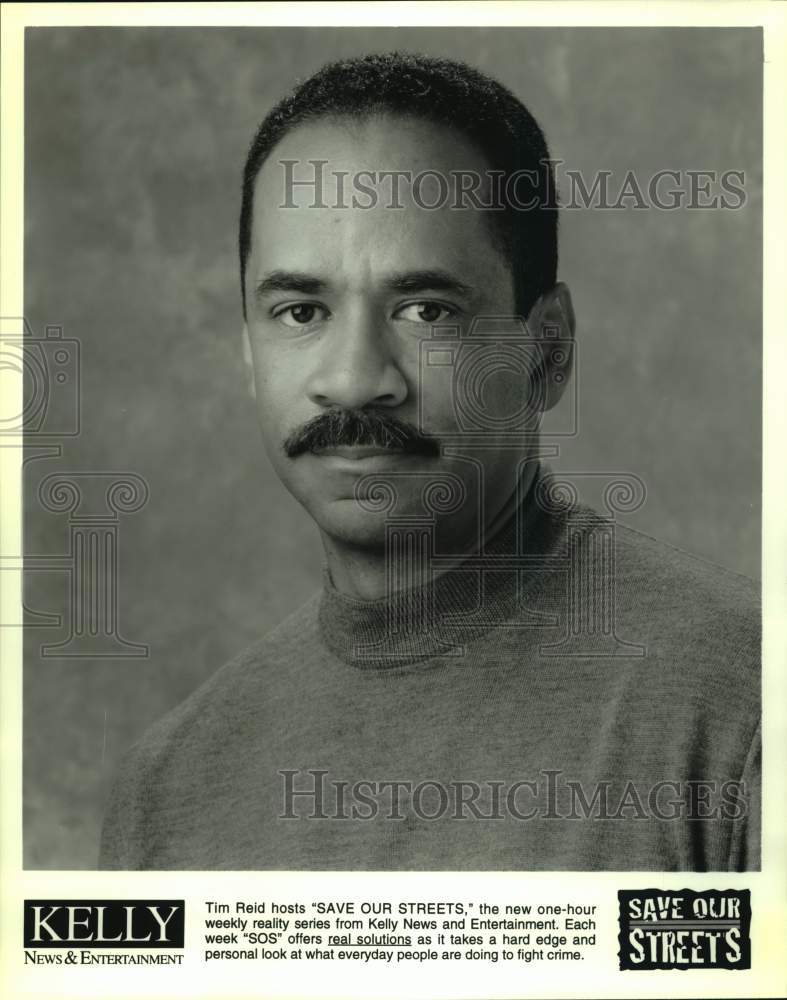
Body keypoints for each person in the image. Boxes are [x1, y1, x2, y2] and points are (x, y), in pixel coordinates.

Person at [100, 52, 759, 871]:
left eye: (424, 309)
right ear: (248, 353)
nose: (353, 379)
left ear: (545, 351)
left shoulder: (745, 712)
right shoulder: (165, 787)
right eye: (300, 310)